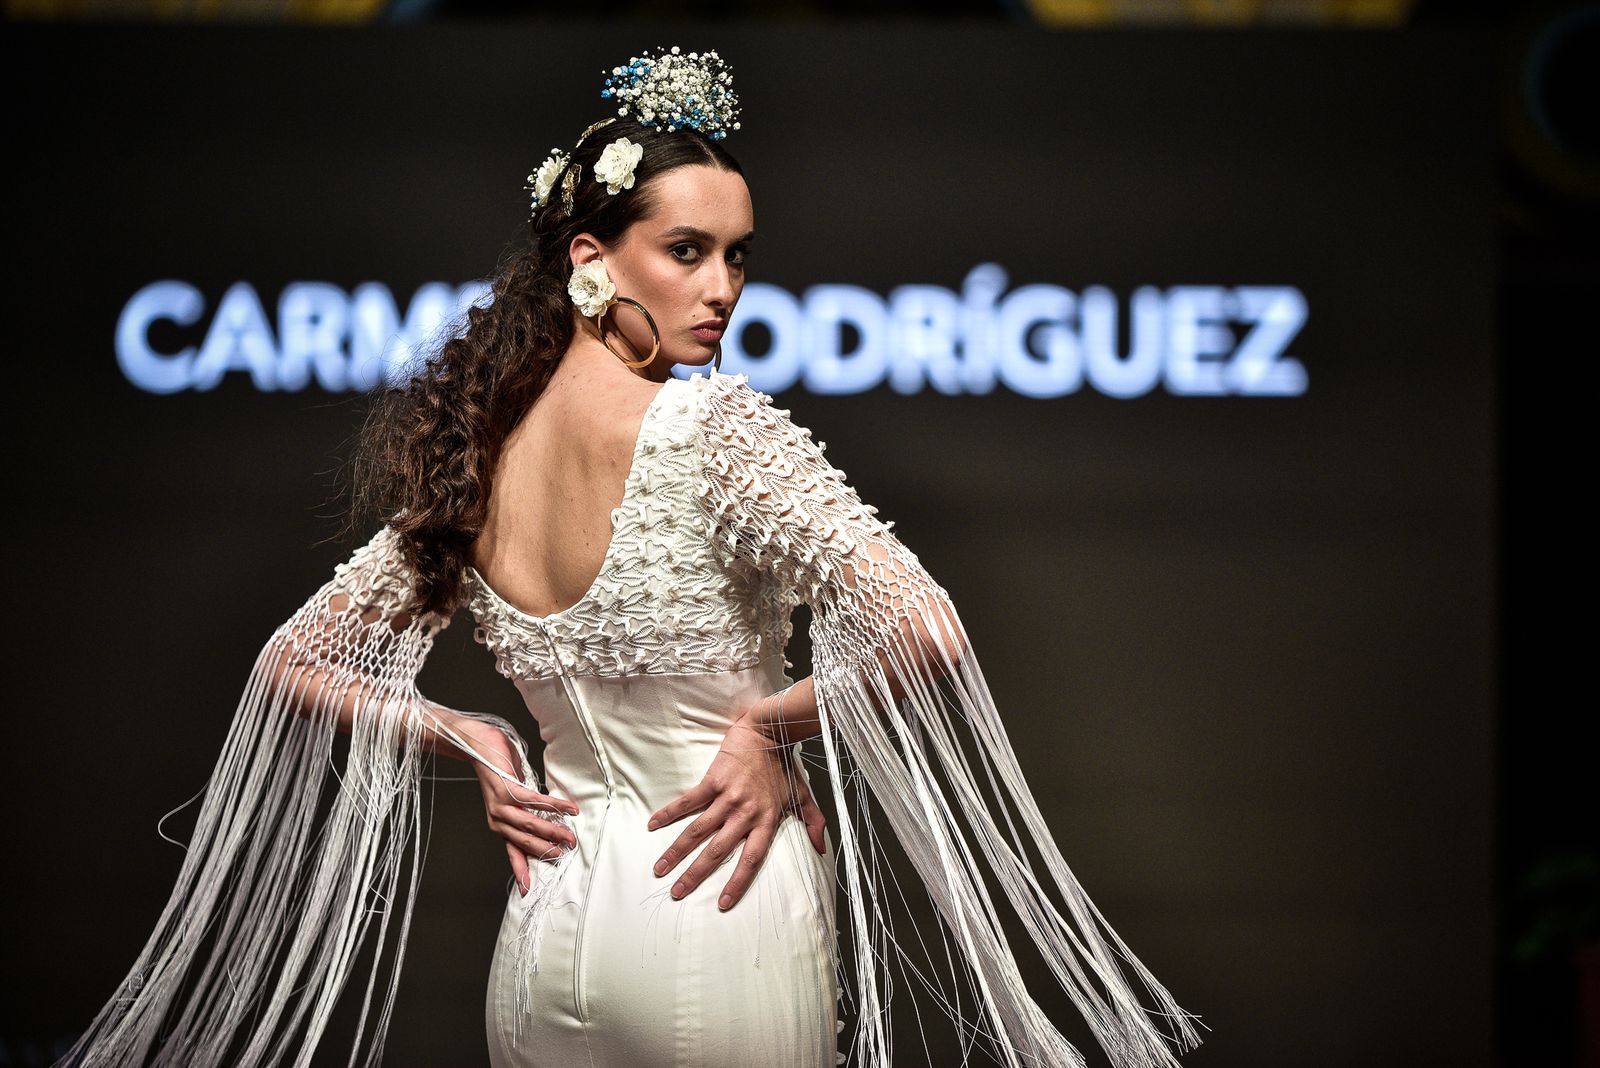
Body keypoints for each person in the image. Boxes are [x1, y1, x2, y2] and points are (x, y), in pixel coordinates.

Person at [57, 46, 1205, 1068]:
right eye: (687, 249)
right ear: (592, 258)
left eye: (738, 255)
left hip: (550, 936)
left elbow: (293, 663)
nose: (721, 288)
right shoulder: (714, 428)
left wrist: (472, 735)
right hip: (718, 908)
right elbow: (926, 631)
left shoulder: (481, 454)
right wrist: (767, 727)